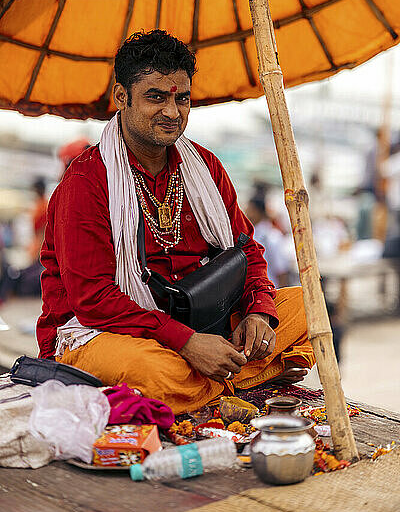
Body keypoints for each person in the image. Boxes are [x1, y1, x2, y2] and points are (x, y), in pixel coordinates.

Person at [36, 30, 315, 414]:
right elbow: (93, 300)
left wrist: (258, 311)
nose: (173, 111)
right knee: (153, 371)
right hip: (104, 332)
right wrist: (185, 343)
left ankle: (205, 382)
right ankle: (232, 378)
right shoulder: (86, 181)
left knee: (308, 306)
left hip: (205, 321)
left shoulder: (205, 165)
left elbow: (246, 249)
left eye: (182, 98)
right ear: (121, 97)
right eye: (156, 97)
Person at [246, 196, 290, 288]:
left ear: (258, 212)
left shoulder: (272, 236)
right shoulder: (251, 234)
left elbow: (281, 271)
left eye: (250, 210)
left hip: (271, 290)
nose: (247, 213)